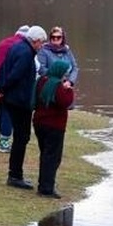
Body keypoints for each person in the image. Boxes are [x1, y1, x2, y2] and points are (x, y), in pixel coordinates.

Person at [0, 25, 47, 189]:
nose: (42, 46)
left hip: (12, 99)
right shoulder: (26, 53)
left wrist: (0, 90)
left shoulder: (16, 47)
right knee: (22, 137)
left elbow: (3, 69)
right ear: (36, 41)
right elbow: (15, 74)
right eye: (42, 43)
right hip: (19, 101)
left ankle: (15, 174)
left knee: (20, 137)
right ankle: (15, 175)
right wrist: (1, 90)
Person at [33, 59, 75, 199]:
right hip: (54, 126)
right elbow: (66, 102)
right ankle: (46, 188)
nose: (66, 76)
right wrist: (69, 90)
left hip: (39, 123)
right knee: (52, 157)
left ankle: (43, 184)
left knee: (45, 154)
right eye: (65, 73)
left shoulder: (41, 81)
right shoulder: (58, 87)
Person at [0, 25, 29, 153]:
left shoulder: (5, 41)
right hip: (3, 80)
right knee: (7, 109)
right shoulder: (22, 46)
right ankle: (4, 142)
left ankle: (0, 137)